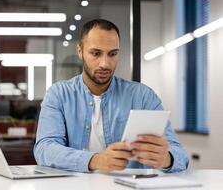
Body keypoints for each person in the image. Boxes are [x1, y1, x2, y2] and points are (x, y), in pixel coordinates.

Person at [34, 19, 189, 173]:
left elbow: (180, 154)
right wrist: (96, 161)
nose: (105, 64)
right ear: (80, 51)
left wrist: (167, 159)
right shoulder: (58, 94)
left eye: (112, 54)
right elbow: (44, 149)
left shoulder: (143, 96)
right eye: (96, 53)